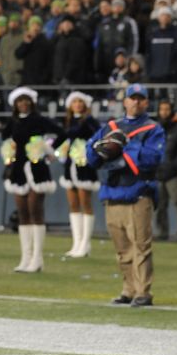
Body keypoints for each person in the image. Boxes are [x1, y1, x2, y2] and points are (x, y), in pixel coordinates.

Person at [85, 84, 166, 307]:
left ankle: (143, 292)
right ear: (125, 101)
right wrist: (100, 149)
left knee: (141, 245)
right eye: (133, 98)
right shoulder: (111, 126)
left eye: (141, 99)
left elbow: (152, 158)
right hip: (113, 192)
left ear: (147, 103)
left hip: (138, 192)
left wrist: (124, 146)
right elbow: (91, 152)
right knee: (122, 248)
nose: (136, 102)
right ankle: (128, 289)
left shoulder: (153, 128)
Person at [1, 87, 65, 273]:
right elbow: (5, 138)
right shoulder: (12, 122)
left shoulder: (39, 120)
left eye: (27, 100)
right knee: (22, 213)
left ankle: (37, 258)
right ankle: (25, 257)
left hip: (37, 169)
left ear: (32, 102)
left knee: (35, 210)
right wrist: (9, 154)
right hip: (18, 170)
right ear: (15, 104)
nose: (23, 104)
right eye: (20, 101)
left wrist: (50, 150)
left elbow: (61, 133)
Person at [58, 91, 100, 258]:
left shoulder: (90, 121)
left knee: (85, 202)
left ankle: (85, 243)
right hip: (70, 165)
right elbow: (62, 138)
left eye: (80, 102)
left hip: (85, 165)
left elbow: (99, 136)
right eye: (74, 102)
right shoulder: (68, 121)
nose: (77, 104)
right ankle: (76, 242)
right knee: (73, 204)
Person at [154, 99, 177, 242]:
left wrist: (175, 166)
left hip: (174, 173)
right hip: (159, 172)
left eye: (166, 109)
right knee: (160, 205)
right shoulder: (156, 129)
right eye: (161, 109)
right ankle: (162, 232)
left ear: (171, 111)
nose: (164, 112)